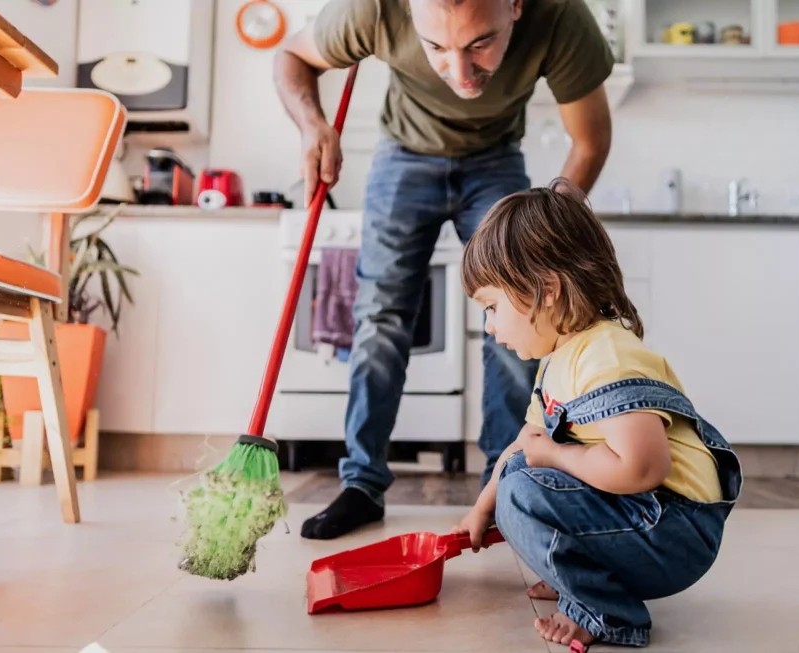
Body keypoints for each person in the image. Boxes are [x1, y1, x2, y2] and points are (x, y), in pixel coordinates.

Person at [273, 0, 617, 540]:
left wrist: (549, 218)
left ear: (516, 7)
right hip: (403, 157)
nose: (460, 73)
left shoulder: (559, 15)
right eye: (436, 47)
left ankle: (504, 489)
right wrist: (311, 125)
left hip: (495, 158)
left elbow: (590, 140)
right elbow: (292, 55)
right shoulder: (373, 9)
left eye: (480, 43)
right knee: (381, 315)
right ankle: (362, 482)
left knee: (520, 317)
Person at [453, 179, 743, 647]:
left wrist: (556, 457)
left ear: (547, 291)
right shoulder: (558, 360)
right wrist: (481, 510)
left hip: (674, 527)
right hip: (644, 516)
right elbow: (522, 444)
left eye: (492, 307)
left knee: (523, 490)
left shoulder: (604, 355)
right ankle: (580, 574)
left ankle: (603, 608)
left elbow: (643, 467)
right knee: (512, 486)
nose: (488, 327)